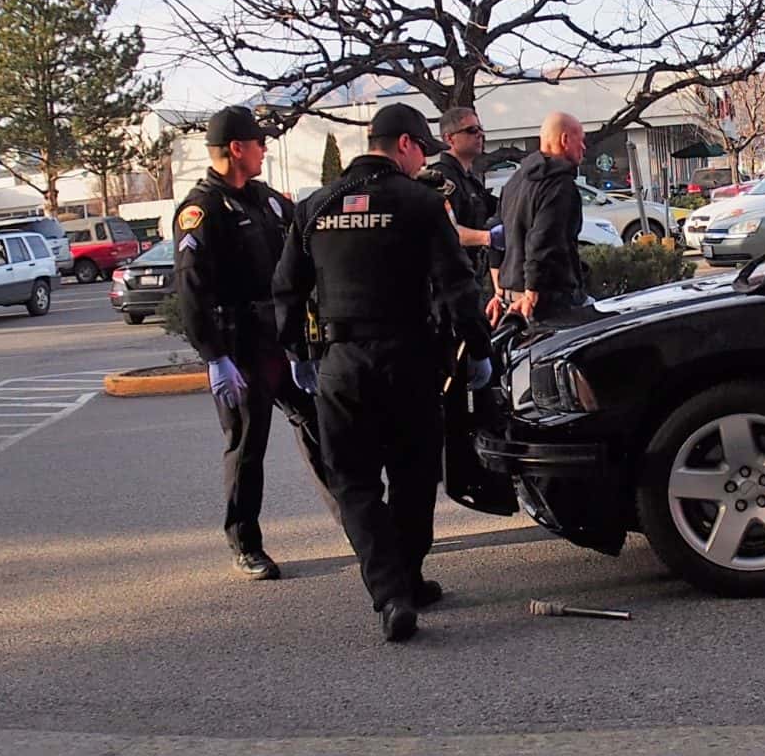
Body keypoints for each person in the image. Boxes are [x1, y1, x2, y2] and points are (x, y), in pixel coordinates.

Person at [275, 104, 493, 642]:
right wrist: (478, 350)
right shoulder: (421, 203)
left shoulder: (315, 207)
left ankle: (391, 592)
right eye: (422, 149)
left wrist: (298, 354)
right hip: (410, 358)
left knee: (354, 483)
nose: (424, 160)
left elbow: (286, 288)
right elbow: (457, 285)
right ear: (404, 145)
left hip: (340, 365)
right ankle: (409, 577)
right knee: (414, 474)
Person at [174, 104, 332, 580]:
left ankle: (359, 522)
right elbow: (192, 291)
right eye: (259, 143)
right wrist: (214, 357)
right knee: (247, 446)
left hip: (280, 341)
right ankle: (246, 543)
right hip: (239, 348)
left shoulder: (267, 201)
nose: (265, 149)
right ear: (236, 148)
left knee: (318, 426)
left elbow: (299, 257)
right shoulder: (202, 211)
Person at [420, 104, 516, 515]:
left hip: (474, 295)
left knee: (483, 394)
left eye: (480, 128)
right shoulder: (439, 183)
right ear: (449, 138)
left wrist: (496, 288)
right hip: (448, 303)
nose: (480, 134)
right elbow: (448, 234)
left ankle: (481, 477)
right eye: (471, 129)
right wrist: (487, 237)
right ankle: (458, 480)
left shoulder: (469, 180)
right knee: (455, 401)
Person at [497, 111, 590, 327]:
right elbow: (544, 240)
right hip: (547, 300)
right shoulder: (560, 185)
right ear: (565, 140)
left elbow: (498, 233)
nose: (584, 148)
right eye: (581, 141)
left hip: (511, 295)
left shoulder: (516, 180)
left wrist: (500, 291)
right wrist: (533, 290)